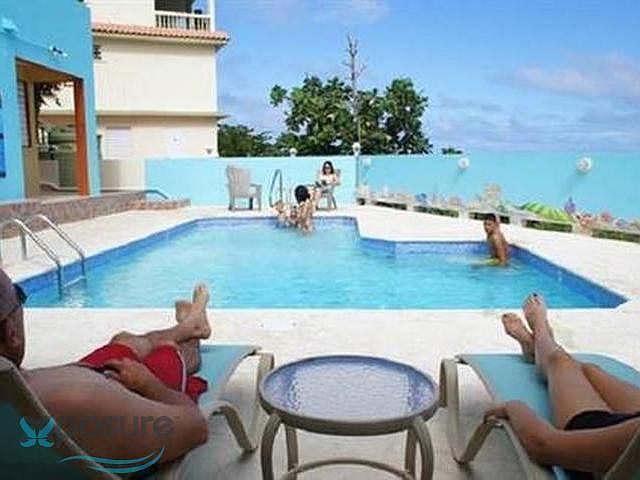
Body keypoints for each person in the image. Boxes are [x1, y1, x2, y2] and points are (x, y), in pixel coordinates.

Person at [0, 267, 210, 467]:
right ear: (11, 332)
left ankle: (188, 326)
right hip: (127, 396)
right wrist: (150, 385)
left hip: (87, 380)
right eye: (19, 295)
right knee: (168, 350)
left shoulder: (12, 387)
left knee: (123, 342)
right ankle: (191, 334)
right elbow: (196, 427)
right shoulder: (78, 402)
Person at [489, 293, 640, 479]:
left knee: (560, 362)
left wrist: (513, 407)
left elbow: (542, 445)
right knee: (590, 370)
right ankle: (539, 349)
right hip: (631, 427)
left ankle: (541, 332)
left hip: (602, 441)